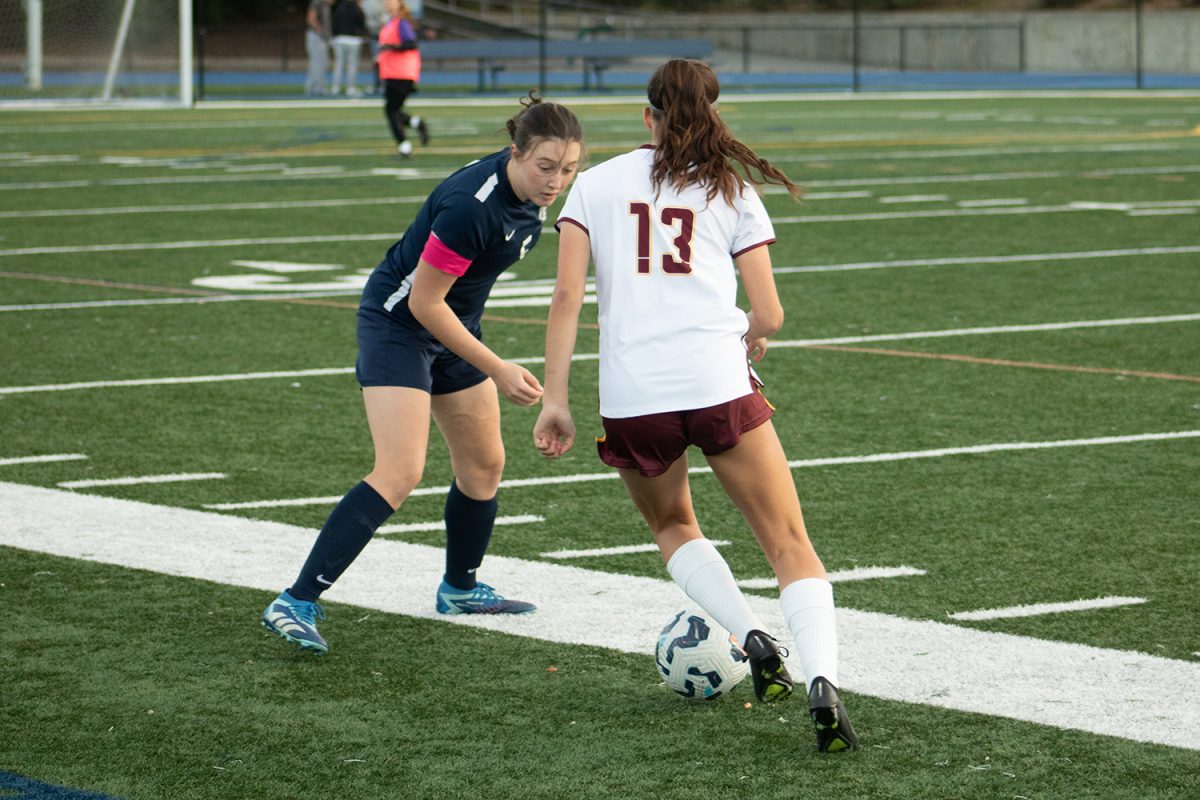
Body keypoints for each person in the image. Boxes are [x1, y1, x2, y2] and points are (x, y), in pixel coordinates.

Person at [533, 59, 858, 753]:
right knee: (790, 545)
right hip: (717, 385)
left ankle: (749, 637)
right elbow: (769, 311)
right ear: (712, 112)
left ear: (645, 117)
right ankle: (823, 680)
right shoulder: (732, 189)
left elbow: (565, 299)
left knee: (675, 524)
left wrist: (554, 400)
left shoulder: (592, 186)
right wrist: (750, 333)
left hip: (634, 398)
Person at [262, 93, 584, 656]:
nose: (557, 181)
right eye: (545, 167)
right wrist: (498, 368)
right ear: (516, 153)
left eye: (569, 169)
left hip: (452, 329)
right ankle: (295, 600)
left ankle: (459, 589)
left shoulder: (533, 192)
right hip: (400, 327)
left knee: (484, 465)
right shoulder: (472, 206)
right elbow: (424, 305)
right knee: (401, 469)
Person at [377, 0, 428, 158]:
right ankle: (416, 123)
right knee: (393, 109)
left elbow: (411, 43)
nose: (385, 3)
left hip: (401, 72)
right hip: (393, 72)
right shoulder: (392, 22)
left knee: (391, 110)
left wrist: (390, 47)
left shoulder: (401, 23)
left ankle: (405, 147)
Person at [330, 0, 368, 97]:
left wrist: (334, 36)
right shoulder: (357, 9)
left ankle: (335, 87)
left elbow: (335, 23)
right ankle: (350, 88)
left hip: (340, 39)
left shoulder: (339, 8)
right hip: (353, 40)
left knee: (339, 64)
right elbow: (362, 23)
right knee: (352, 64)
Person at [304, 0, 333, 97]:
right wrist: (321, 31)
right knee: (317, 62)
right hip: (316, 36)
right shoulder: (317, 3)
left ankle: (318, 86)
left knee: (322, 62)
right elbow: (311, 18)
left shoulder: (326, 6)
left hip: (321, 37)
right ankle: (314, 87)